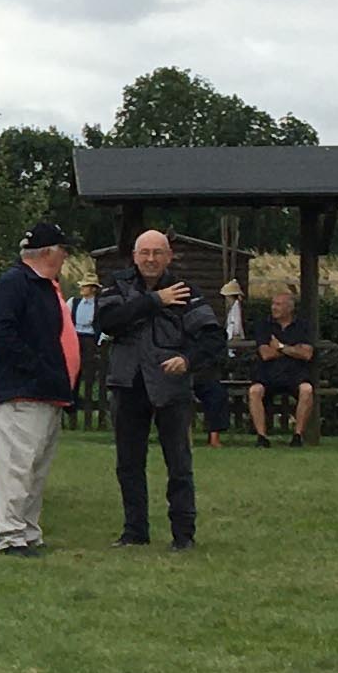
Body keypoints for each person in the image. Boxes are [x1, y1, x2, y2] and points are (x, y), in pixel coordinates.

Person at [96, 229, 228, 551]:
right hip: (128, 384)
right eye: (145, 253)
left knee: (179, 464)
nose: (151, 259)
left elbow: (213, 338)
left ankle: (183, 536)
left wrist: (188, 360)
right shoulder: (117, 286)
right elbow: (108, 322)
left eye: (157, 253)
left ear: (169, 257)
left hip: (171, 387)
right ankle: (134, 532)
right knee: (129, 464)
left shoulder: (185, 291)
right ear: (135, 256)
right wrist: (154, 301)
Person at [0, 223, 81, 558]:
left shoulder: (43, 286)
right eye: (63, 250)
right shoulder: (15, 283)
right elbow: (2, 333)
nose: (65, 256)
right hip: (23, 391)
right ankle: (9, 535)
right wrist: (38, 367)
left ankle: (27, 530)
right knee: (15, 466)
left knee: (34, 468)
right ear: (49, 252)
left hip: (46, 391)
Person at [248, 284, 319, 448]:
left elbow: (307, 354)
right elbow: (266, 354)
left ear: (290, 308)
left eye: (278, 304)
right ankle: (262, 437)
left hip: (295, 374)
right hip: (268, 374)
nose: (274, 308)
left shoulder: (303, 326)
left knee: (307, 390)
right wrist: (293, 349)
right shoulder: (264, 325)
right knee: (254, 391)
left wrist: (280, 347)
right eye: (273, 304)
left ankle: (297, 436)